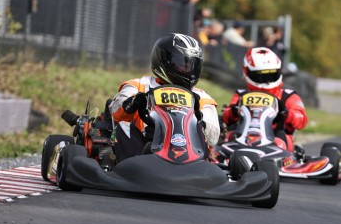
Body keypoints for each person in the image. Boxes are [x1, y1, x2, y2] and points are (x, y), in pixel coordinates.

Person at [110, 33, 220, 162]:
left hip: (186, 153)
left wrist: (199, 121)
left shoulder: (202, 98)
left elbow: (213, 138)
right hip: (144, 150)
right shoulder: (139, 86)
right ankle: (131, 168)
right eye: (183, 64)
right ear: (164, 61)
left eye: (192, 64)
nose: (189, 69)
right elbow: (115, 112)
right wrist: (131, 105)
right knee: (123, 126)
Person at [222, 47, 308, 157]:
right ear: (247, 72)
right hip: (243, 139)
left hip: (275, 139)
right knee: (229, 136)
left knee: (281, 138)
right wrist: (233, 111)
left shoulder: (287, 96)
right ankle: (226, 159)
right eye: (260, 76)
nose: (266, 81)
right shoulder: (241, 95)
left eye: (271, 75)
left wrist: (287, 114)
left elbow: (301, 120)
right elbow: (226, 117)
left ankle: (280, 161)